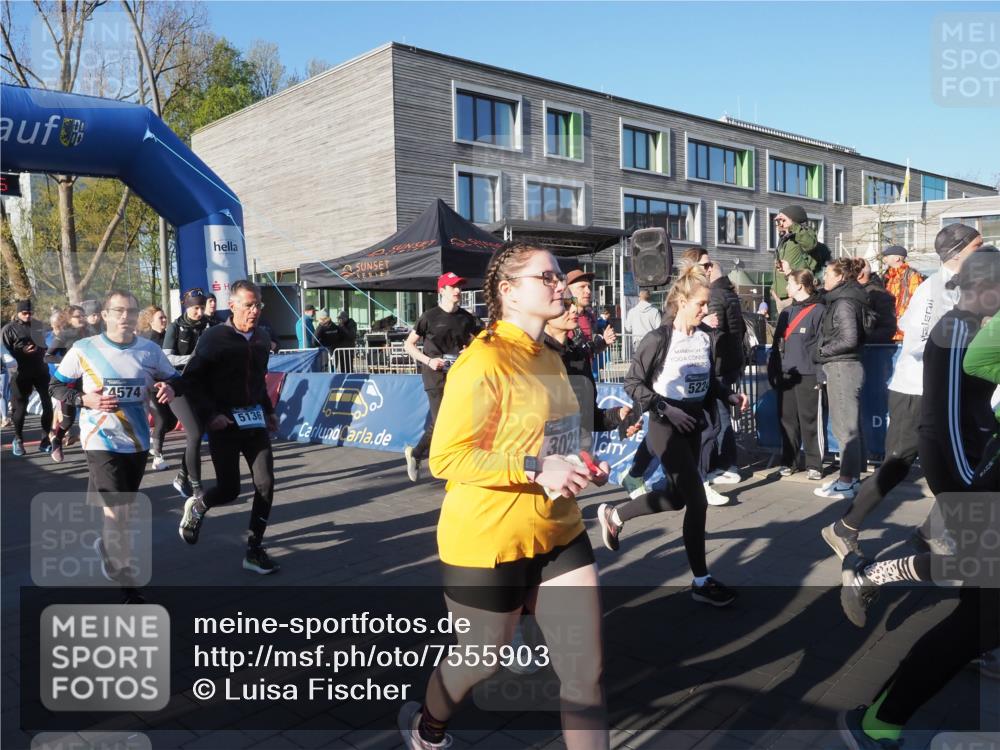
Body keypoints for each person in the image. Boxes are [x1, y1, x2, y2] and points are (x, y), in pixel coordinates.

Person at [397, 243, 610, 750]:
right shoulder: (483, 359)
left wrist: (578, 462)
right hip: (487, 539)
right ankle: (428, 727)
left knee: (586, 675)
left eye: (560, 276)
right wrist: (536, 468)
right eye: (548, 277)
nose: (561, 285)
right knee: (480, 659)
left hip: (559, 530)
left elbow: (551, 440)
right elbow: (446, 459)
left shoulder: (549, 358)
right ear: (508, 292)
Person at [836, 251, 1000, 749]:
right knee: (973, 604)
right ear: (987, 288)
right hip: (971, 474)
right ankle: (873, 576)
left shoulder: (972, 327)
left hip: (976, 470)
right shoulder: (954, 329)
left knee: (974, 601)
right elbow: (945, 421)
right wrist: (970, 486)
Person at [821, 224, 984, 559]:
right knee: (899, 463)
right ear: (957, 252)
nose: (985, 250)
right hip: (916, 390)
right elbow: (916, 341)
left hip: (946, 390)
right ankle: (845, 528)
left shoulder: (962, 287)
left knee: (971, 461)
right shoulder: (934, 289)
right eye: (978, 246)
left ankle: (931, 533)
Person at [595, 264, 749, 606]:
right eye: (701, 305)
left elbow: (706, 383)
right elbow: (633, 383)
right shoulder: (659, 339)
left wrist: (728, 395)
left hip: (693, 424)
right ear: (680, 302)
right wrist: (665, 409)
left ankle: (615, 515)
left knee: (678, 498)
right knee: (696, 500)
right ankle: (701, 580)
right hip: (666, 427)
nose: (707, 311)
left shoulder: (705, 339)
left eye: (707, 305)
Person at [49, 290, 181, 603]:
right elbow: (55, 385)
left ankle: (108, 548)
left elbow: (177, 379)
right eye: (119, 311)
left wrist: (169, 388)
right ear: (106, 315)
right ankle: (128, 586)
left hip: (136, 443)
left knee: (124, 512)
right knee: (117, 512)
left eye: (132, 311)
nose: (126, 317)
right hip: (99, 441)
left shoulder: (149, 351)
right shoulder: (84, 349)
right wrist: (84, 399)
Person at [177, 280, 280, 575]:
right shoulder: (214, 338)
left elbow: (258, 381)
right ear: (232, 305)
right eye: (248, 305)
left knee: (266, 483)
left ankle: (254, 549)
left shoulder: (261, 338)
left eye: (258, 305)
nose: (254, 311)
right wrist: (210, 416)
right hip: (224, 423)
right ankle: (199, 505)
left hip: (254, 420)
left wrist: (269, 411)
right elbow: (191, 381)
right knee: (229, 489)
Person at [402, 272, 482, 482]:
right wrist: (429, 361)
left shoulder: (467, 318)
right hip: (434, 374)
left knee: (460, 419)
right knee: (441, 421)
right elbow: (408, 345)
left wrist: (471, 350)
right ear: (442, 291)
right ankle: (424, 456)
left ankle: (418, 453)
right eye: (453, 287)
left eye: (460, 286)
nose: (458, 291)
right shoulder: (429, 317)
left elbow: (484, 339)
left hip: (459, 374)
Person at [813, 258, 870, 500]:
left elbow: (849, 339)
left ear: (840, 277)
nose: (823, 278)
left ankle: (846, 481)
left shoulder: (844, 302)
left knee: (844, 427)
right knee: (850, 426)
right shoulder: (847, 298)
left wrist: (821, 352)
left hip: (842, 367)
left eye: (827, 273)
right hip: (844, 366)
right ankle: (851, 478)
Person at [769, 269, 826, 480]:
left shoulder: (819, 310)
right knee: (787, 420)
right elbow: (776, 345)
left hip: (808, 374)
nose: (786, 288)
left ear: (800, 286)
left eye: (789, 283)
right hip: (786, 375)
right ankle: (789, 461)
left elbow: (822, 343)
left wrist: (821, 374)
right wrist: (773, 371)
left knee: (809, 420)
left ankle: (815, 464)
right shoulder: (786, 312)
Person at [163, 289, 211, 489]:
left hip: (202, 385)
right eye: (195, 308)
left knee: (196, 435)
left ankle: (182, 476)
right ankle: (196, 487)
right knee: (195, 433)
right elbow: (166, 357)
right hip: (177, 385)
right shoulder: (175, 327)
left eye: (202, 307)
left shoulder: (211, 325)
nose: (199, 312)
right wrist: (192, 359)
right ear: (187, 306)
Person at [706, 259, 747, 484]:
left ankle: (727, 465)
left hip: (719, 365)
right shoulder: (729, 292)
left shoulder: (715, 294)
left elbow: (715, 332)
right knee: (722, 415)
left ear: (710, 270)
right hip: (731, 362)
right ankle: (725, 463)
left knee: (720, 417)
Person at [2, 300, 54, 456]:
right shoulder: (8, 329)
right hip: (20, 373)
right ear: (18, 313)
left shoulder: (39, 325)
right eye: (24, 313)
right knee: (21, 408)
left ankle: (45, 440)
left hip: (41, 371)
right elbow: (3, 352)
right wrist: (21, 351)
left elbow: (48, 343)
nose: (28, 316)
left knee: (48, 404)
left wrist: (42, 349)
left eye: (30, 313)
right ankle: (18, 439)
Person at [44, 305, 87, 463]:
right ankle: (57, 439)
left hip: (88, 381)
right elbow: (48, 357)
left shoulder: (91, 334)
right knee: (67, 421)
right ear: (69, 319)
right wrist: (70, 362)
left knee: (93, 412)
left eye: (83, 315)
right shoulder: (64, 335)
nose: (82, 318)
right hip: (69, 383)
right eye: (78, 316)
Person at [137, 305, 177, 471]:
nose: (164, 320)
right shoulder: (146, 341)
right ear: (150, 321)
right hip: (152, 386)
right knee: (160, 419)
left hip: (167, 385)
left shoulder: (167, 336)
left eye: (165, 317)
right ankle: (158, 457)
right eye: (160, 318)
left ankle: (154, 442)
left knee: (171, 421)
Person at [772, 205, 821, 316]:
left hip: (796, 293)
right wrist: (774, 290)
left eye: (782, 220)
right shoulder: (786, 239)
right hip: (782, 296)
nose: (779, 224)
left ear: (793, 220)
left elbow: (810, 245)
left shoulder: (803, 234)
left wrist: (793, 226)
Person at [567, 268, 616, 366]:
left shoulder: (589, 316)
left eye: (589, 286)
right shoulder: (561, 318)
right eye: (582, 287)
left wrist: (604, 342)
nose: (588, 291)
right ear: (568, 291)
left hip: (587, 375)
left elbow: (590, 351)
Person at [880, 245, 924, 342]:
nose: (884, 258)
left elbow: (916, 302)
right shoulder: (886, 276)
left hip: (904, 333)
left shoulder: (912, 276)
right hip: (887, 330)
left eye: (887, 256)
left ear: (897, 258)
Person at [857, 258, 897, 344]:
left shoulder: (879, 294)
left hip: (869, 349)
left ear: (860, 275)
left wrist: (862, 341)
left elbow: (887, 327)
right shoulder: (855, 291)